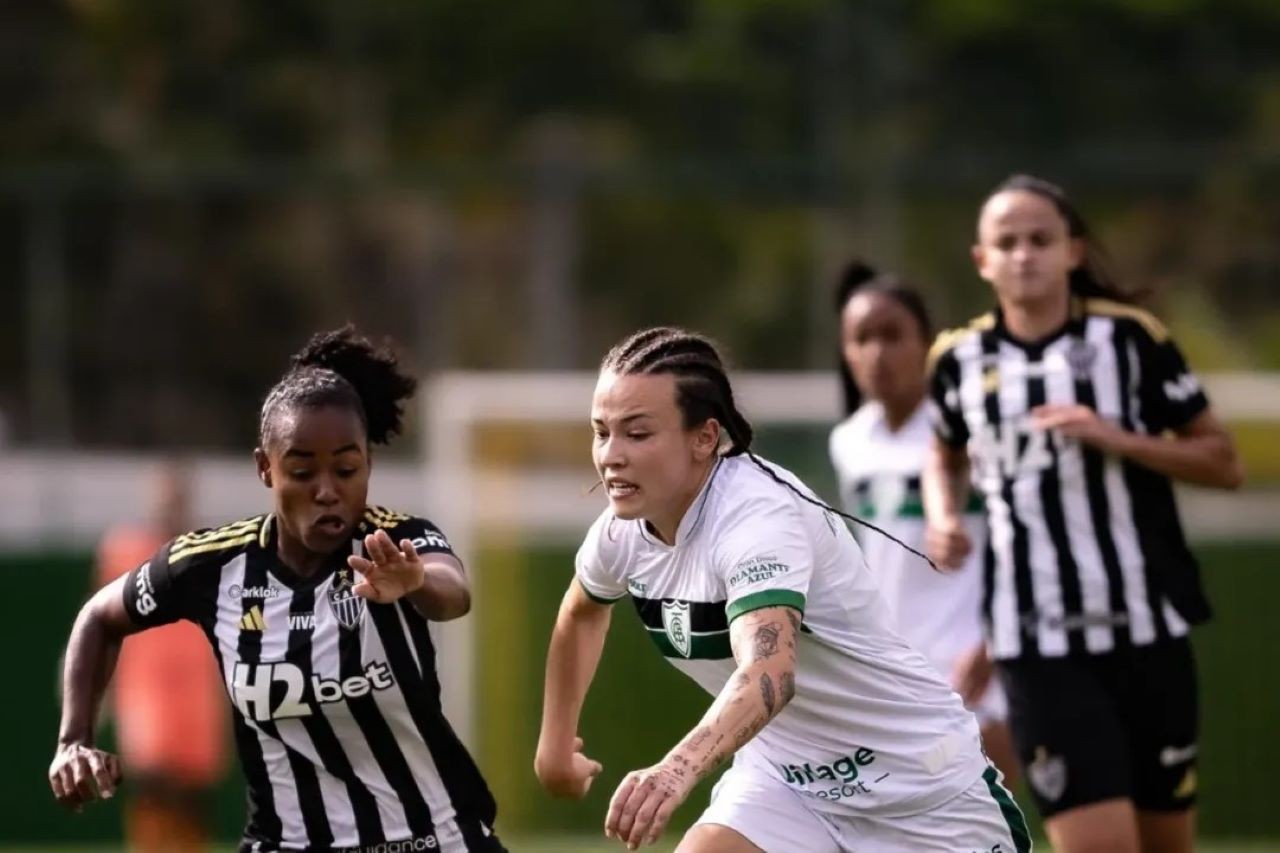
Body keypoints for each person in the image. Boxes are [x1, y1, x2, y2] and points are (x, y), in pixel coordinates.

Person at [535, 327, 1030, 852]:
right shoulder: (621, 532)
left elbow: (770, 672)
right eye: (601, 432)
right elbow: (582, 611)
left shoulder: (757, 516)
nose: (611, 455)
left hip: (918, 791)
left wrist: (676, 769)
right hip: (786, 786)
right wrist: (555, 742)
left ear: (705, 437)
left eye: (637, 433)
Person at [50, 326, 506, 853]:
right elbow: (100, 617)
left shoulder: (396, 541)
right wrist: (72, 741)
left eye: (346, 469)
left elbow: (454, 591)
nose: (328, 490)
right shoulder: (212, 566)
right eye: (302, 470)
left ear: (369, 465)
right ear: (266, 469)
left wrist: (417, 581)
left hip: (433, 840)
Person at [923, 174, 1244, 853]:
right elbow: (942, 451)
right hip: (1037, 646)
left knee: (1165, 843)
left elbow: (1223, 462)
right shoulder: (959, 358)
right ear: (981, 260)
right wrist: (943, 514)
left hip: (1147, 632)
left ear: (1073, 250)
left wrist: (1116, 437)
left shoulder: (1130, 341)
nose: (1024, 255)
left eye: (1041, 239)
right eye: (1005, 243)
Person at [828, 260, 1019, 786]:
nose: (876, 354)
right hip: (894, 671)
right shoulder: (849, 442)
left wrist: (994, 644)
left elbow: (1016, 543)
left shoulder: (967, 433)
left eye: (892, 336)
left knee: (973, 818)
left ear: (927, 343)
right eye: (861, 339)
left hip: (973, 668)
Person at [95, 461, 228, 851]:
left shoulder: (210, 554)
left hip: (197, 697)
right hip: (146, 693)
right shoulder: (125, 551)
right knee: (153, 787)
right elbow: (102, 625)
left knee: (191, 799)